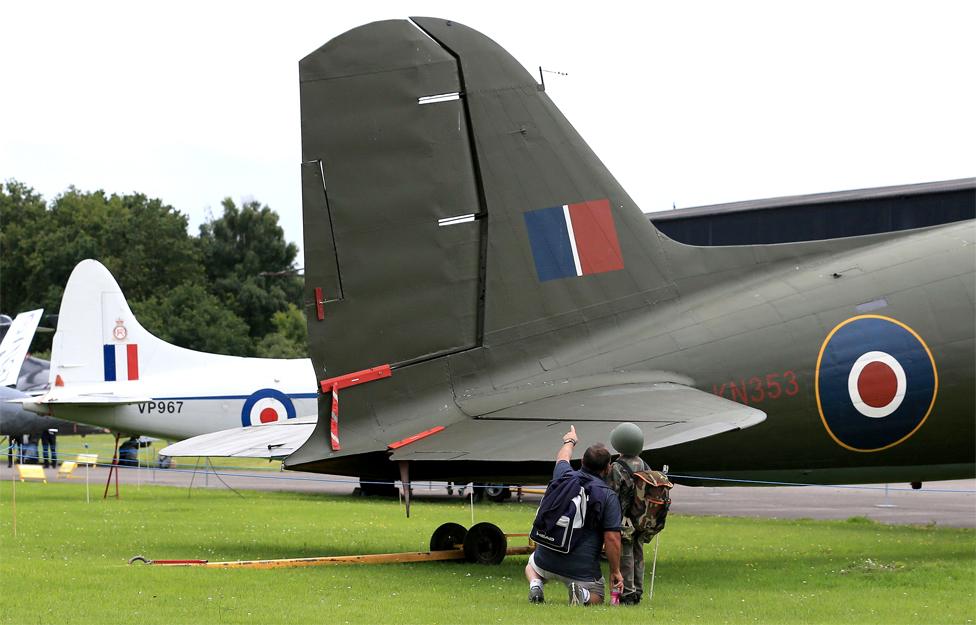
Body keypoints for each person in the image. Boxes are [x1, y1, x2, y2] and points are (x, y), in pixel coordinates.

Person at [525, 425, 624, 605]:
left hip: (545, 559)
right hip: (580, 569)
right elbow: (612, 539)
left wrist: (570, 440)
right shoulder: (608, 496)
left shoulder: (563, 475)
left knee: (531, 566)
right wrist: (615, 570)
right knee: (598, 597)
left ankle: (536, 584)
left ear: (582, 462)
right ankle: (582, 594)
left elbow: (562, 457)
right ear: (607, 469)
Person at [608, 422, 650, 605]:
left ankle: (628, 594)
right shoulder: (644, 464)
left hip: (624, 519)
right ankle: (638, 591)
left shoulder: (617, 467)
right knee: (638, 553)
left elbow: (612, 493)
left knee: (625, 555)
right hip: (641, 518)